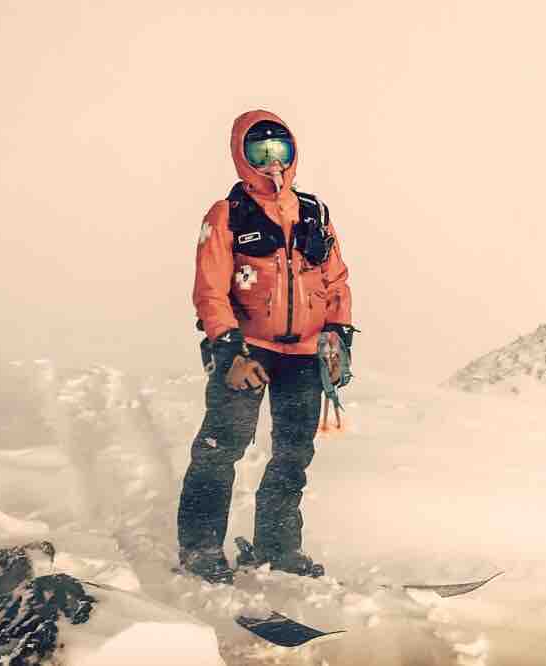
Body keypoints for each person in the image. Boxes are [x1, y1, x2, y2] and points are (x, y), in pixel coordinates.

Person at [177, 109, 355, 583]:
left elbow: (335, 280)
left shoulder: (315, 213)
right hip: (246, 350)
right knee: (220, 449)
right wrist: (229, 350)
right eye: (260, 152)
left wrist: (338, 334)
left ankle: (277, 548)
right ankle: (200, 550)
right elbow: (210, 289)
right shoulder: (227, 215)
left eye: (281, 151)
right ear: (242, 156)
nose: (272, 163)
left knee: (293, 453)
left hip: (304, 356)